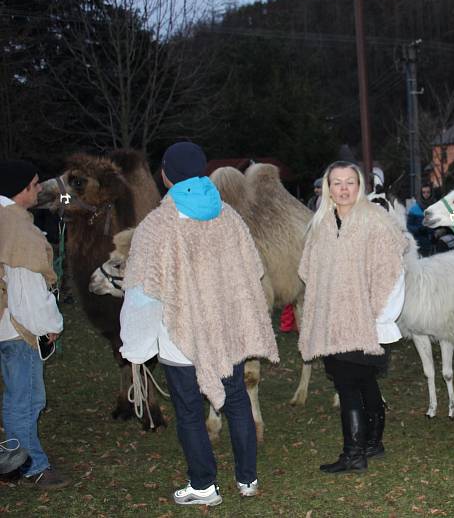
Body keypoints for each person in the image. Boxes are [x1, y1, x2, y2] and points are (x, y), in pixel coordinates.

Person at [120, 142, 279, 506]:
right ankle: (247, 479)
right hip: (225, 333)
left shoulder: (156, 226)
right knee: (237, 400)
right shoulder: (229, 217)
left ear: (165, 175)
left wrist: (136, 344)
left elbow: (143, 290)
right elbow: (252, 271)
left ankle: (203, 486)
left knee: (189, 410)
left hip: (179, 336)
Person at [298, 161, 406, 474]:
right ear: (327, 187)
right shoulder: (321, 225)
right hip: (333, 319)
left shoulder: (375, 220)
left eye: (350, 182)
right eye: (337, 183)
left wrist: (380, 317)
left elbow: (393, 272)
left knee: (349, 383)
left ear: (359, 186)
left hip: (367, 318)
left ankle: (354, 453)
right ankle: (373, 443)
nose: (343, 189)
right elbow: (311, 271)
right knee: (360, 379)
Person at [0, 160, 68, 489]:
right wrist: (49, 324)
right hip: (18, 328)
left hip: (8, 324)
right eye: (35, 184)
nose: (39, 189)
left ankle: (21, 458)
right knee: (23, 399)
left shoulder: (7, 220)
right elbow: (27, 290)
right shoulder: (18, 231)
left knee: (27, 397)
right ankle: (31, 466)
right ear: (21, 189)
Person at [407, 183, 437, 256]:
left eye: (428, 192)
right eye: (423, 192)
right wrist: (419, 229)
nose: (426, 194)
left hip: (434, 241)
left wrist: (437, 232)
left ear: (431, 193)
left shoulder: (436, 207)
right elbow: (409, 226)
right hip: (419, 242)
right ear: (421, 194)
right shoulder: (414, 209)